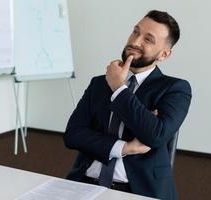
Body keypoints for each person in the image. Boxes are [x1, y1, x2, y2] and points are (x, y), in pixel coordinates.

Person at [64, 10, 191, 200]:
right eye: (135, 32)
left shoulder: (175, 88)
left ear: (164, 54)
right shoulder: (99, 83)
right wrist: (124, 148)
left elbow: (155, 135)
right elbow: (72, 135)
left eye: (148, 39)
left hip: (138, 189)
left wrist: (118, 89)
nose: (135, 41)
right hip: (85, 182)